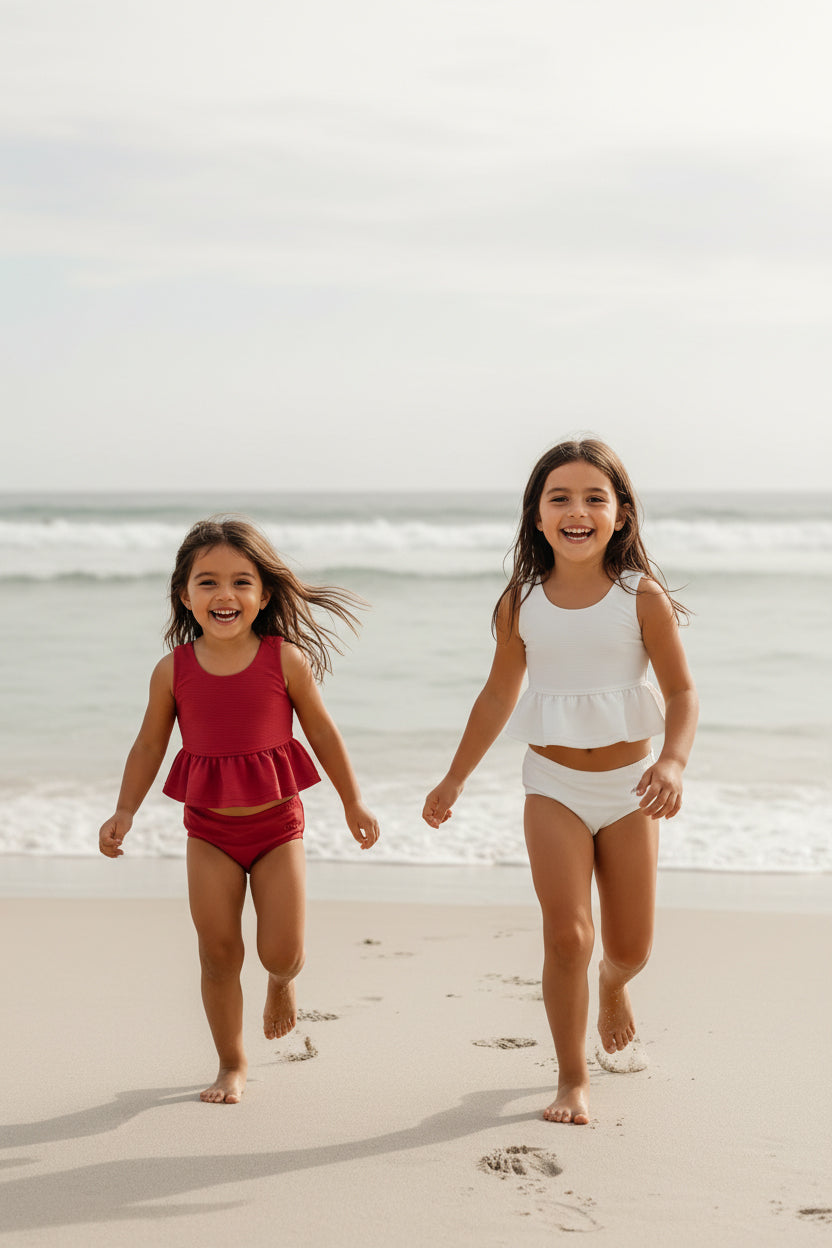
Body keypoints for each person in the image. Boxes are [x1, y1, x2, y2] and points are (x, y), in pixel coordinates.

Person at [423, 439, 698, 1125]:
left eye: (594, 498)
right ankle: (571, 1078)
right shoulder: (522, 601)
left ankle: (613, 987)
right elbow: (495, 697)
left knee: (629, 948)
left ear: (622, 515)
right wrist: (454, 779)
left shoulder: (642, 597)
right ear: (538, 517)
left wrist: (671, 762)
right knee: (568, 937)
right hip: (552, 787)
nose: (578, 511)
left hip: (632, 790)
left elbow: (684, 693)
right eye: (560, 498)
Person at [99, 517, 380, 1104]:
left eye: (240, 582)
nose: (224, 595)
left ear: (264, 594)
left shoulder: (285, 660)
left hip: (278, 828)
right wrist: (125, 809)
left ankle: (281, 983)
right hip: (207, 832)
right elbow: (150, 743)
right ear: (185, 595)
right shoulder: (172, 670)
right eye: (207, 583)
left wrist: (353, 800)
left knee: (281, 950)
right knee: (218, 952)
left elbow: (323, 733)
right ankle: (231, 1063)